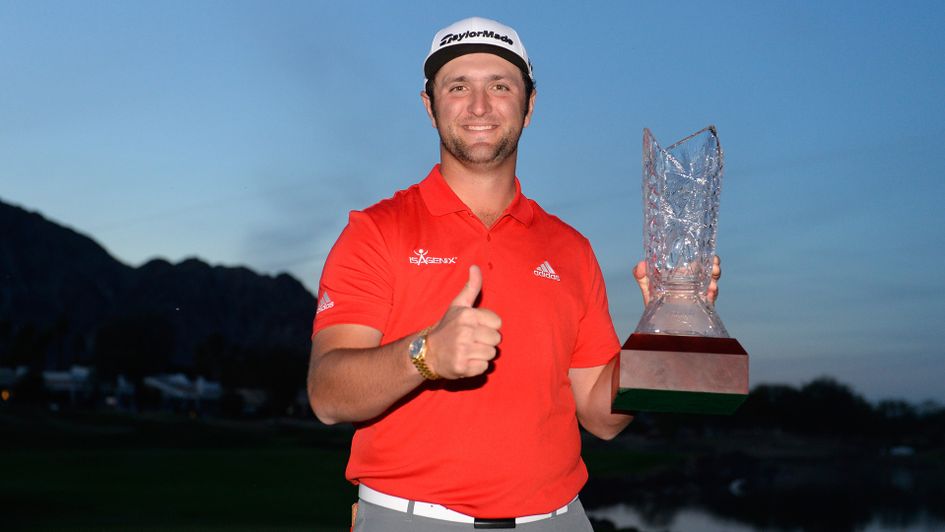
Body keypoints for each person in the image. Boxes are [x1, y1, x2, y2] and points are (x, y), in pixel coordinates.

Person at [307, 16, 721, 531]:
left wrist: (662, 330)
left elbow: (601, 414)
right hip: (414, 520)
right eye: (458, 87)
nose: (479, 106)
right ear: (429, 107)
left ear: (529, 107)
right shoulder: (376, 231)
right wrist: (426, 355)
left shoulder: (570, 249)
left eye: (500, 86)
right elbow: (326, 394)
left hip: (559, 520)